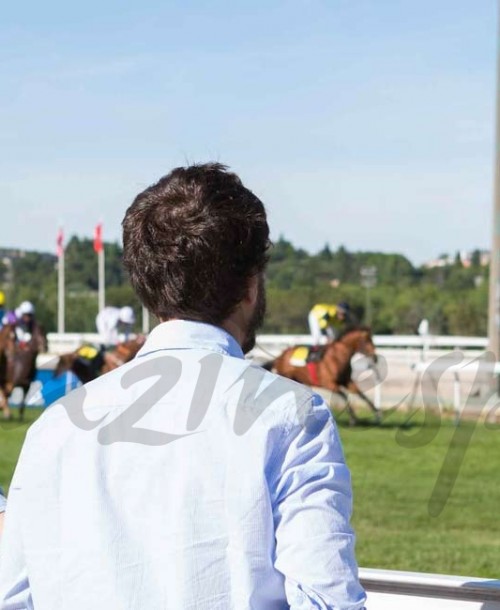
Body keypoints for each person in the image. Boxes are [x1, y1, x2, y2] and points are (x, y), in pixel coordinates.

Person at [0, 164, 366, 609]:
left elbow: (14, 598)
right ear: (251, 286)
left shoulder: (52, 429)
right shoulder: (292, 414)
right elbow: (328, 601)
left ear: (147, 290)